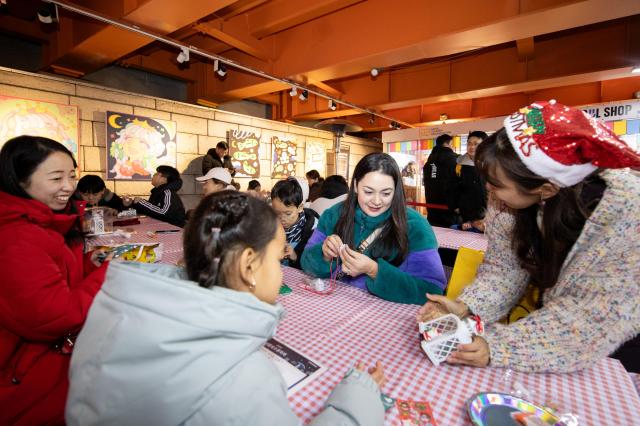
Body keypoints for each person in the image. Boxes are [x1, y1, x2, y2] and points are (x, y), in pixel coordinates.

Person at [66, 191, 386, 426]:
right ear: (249, 265)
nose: (280, 271)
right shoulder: (244, 379)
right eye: (276, 260)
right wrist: (356, 400)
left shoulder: (114, 307)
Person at [417, 101, 640, 373]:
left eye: (497, 185)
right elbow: (504, 269)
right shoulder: (509, 199)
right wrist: (466, 305)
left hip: (617, 337)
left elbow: (591, 320)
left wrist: (499, 347)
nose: (489, 189)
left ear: (545, 189)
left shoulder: (626, 212)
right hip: (561, 326)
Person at [0, 136, 110, 425]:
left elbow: (54, 274)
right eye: (56, 177)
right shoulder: (17, 236)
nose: (69, 186)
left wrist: (89, 265)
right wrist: (107, 275)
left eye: (72, 175)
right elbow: (56, 315)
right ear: (19, 181)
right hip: (28, 378)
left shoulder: (46, 222)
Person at [302, 153, 446, 305]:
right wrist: (324, 254)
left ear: (396, 190)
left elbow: (432, 290)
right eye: (368, 192)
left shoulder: (415, 225)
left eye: (386, 193)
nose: (376, 201)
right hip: (330, 307)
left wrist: (374, 270)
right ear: (356, 185)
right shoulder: (334, 214)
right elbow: (306, 264)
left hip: (386, 318)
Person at [271, 178, 319, 269]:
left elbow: (313, 267)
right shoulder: (270, 228)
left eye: (288, 213)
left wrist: (294, 257)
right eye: (276, 213)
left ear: (300, 207)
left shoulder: (313, 231)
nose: (282, 219)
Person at [450, 131, 488, 230]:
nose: (472, 147)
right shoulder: (459, 164)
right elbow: (452, 187)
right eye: (469, 143)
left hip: (487, 214)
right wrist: (456, 207)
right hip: (465, 215)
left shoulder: (490, 165)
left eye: (476, 144)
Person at [423, 134, 458, 227]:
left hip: (432, 209)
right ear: (449, 143)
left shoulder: (429, 161)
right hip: (450, 212)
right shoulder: (454, 159)